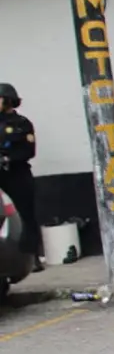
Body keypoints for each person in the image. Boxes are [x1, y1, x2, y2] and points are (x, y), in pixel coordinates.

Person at [0, 83, 43, 272]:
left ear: (8, 100)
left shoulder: (22, 123)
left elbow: (28, 150)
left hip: (16, 173)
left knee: (26, 215)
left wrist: (8, 158)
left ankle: (32, 257)